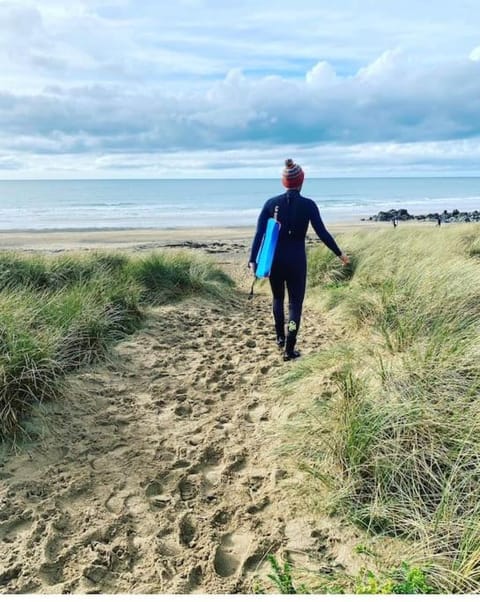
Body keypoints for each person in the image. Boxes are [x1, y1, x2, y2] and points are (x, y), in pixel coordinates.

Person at [248, 159, 349, 361]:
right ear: (301, 180)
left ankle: (279, 338)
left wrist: (253, 260)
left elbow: (259, 234)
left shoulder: (270, 204)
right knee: (295, 305)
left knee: (277, 299)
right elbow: (322, 233)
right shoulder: (308, 205)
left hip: (275, 261)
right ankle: (289, 348)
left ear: (283, 182)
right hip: (296, 262)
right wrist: (340, 254)